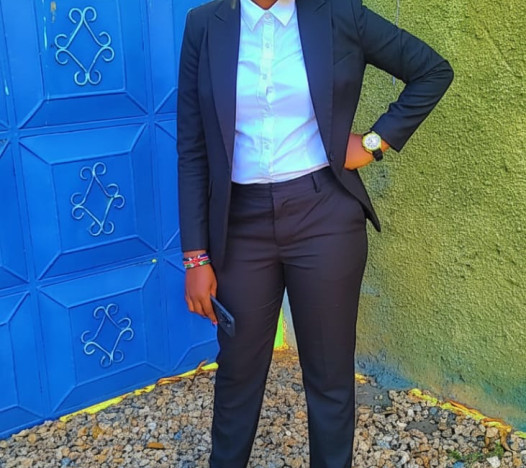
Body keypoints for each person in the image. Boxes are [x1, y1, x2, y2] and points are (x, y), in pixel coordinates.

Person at [177, 0, 453, 465]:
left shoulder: (338, 14)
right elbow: (191, 147)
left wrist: (373, 142)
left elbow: (431, 70)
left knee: (329, 378)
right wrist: (195, 256)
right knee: (237, 373)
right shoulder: (205, 24)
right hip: (240, 225)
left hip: (324, 216)